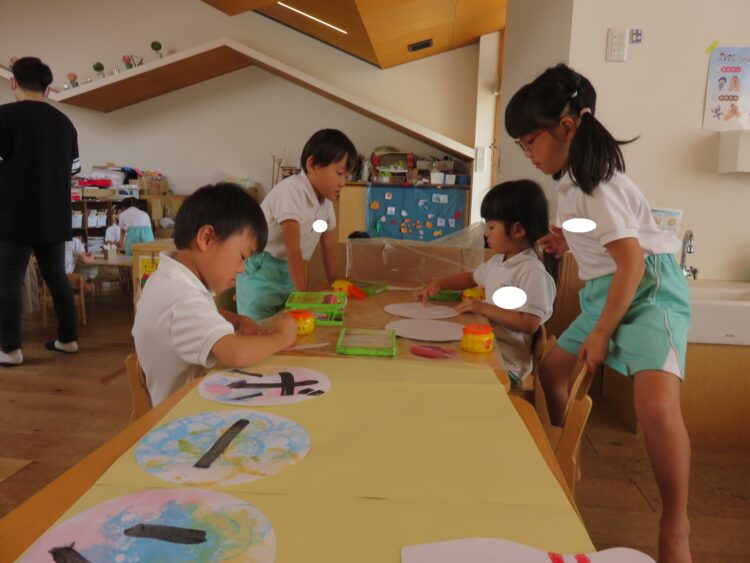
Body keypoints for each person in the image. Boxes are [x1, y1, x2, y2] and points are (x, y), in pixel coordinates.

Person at [506, 63, 692, 563]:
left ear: (566, 128)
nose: (528, 153)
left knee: (655, 408)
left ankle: (675, 521)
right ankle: (566, 457)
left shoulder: (598, 185)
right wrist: (569, 241)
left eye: (529, 141)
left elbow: (632, 262)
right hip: (606, 291)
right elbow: (605, 238)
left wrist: (603, 331)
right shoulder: (571, 184)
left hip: (647, 292)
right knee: (551, 371)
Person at [132, 182, 297, 406]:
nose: (242, 269)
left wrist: (238, 320)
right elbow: (236, 353)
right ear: (206, 238)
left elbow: (199, 313)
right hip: (187, 413)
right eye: (242, 256)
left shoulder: (166, 281)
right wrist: (281, 337)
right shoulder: (182, 299)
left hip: (191, 402)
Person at [415, 180, 556, 385]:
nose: (485, 233)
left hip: (506, 363)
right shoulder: (499, 261)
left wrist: (483, 308)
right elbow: (471, 278)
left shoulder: (531, 271)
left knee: (442, 375)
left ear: (518, 230)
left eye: (491, 227)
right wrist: (440, 282)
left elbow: (529, 323)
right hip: (486, 347)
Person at [0, 57, 81, 366]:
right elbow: (74, 170)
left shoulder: (3, 117)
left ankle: (10, 349)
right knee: (56, 277)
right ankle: (68, 340)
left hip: (13, 213)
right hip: (54, 214)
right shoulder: (65, 123)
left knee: (9, 280)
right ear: (48, 89)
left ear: (13, 82)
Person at [236, 129, 357, 320]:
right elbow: (293, 249)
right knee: (258, 325)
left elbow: (328, 242)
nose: (343, 183)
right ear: (313, 165)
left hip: (290, 271)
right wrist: (303, 296)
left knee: (288, 323)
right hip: (263, 271)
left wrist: (334, 281)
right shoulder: (292, 191)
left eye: (347, 177)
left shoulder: (325, 203)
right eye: (339, 173)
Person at [65, 229, 96, 296]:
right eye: (83, 244)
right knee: (90, 288)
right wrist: (92, 258)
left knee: (83, 281)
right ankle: (71, 300)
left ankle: (68, 297)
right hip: (64, 277)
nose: (83, 247)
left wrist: (81, 256)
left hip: (49, 277)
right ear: (80, 238)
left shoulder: (64, 241)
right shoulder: (76, 241)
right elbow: (84, 261)